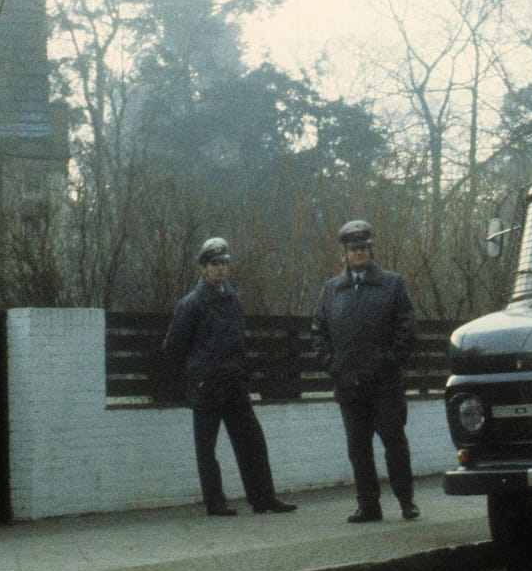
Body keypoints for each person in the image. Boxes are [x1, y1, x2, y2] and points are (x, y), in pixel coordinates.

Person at [162, 237, 296, 517]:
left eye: (224, 263)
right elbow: (173, 348)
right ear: (203, 268)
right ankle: (215, 502)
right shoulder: (191, 304)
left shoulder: (232, 298)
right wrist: (197, 373)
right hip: (207, 386)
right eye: (214, 264)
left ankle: (263, 498)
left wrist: (241, 373)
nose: (220, 269)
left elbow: (238, 341)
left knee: (253, 442)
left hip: (234, 384)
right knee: (207, 449)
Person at [312, 219, 421, 523]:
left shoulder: (392, 284)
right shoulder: (332, 290)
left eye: (364, 247)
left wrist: (389, 361)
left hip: (385, 384)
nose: (359, 253)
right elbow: (318, 330)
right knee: (358, 451)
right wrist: (332, 365)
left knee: (394, 445)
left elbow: (406, 329)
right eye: (353, 248)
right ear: (344, 253)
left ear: (371, 250)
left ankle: (406, 501)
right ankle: (368, 505)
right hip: (349, 385)